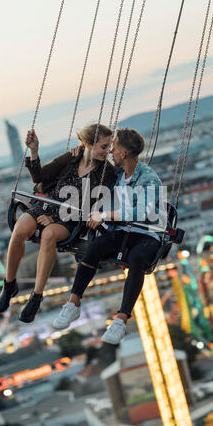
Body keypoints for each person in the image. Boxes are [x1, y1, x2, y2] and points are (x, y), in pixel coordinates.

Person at [52, 128, 165, 344]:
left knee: (138, 259)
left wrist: (105, 215)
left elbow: (143, 212)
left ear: (123, 154)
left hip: (148, 232)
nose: (111, 150)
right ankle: (74, 302)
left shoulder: (149, 178)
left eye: (114, 147)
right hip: (124, 231)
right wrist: (81, 154)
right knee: (94, 248)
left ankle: (121, 318)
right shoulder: (118, 176)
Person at [0, 123, 116, 322]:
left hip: (71, 218)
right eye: (104, 146)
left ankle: (36, 296)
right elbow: (39, 177)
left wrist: (58, 214)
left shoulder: (106, 172)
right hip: (45, 205)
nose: (107, 151)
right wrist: (34, 151)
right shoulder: (71, 157)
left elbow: (91, 203)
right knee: (19, 229)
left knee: (49, 235)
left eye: (109, 146)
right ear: (87, 144)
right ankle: (9, 285)